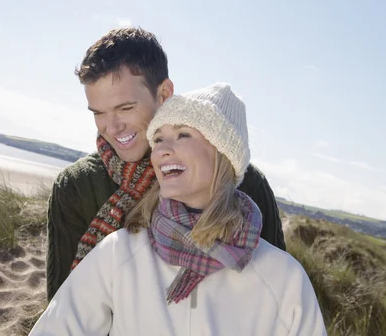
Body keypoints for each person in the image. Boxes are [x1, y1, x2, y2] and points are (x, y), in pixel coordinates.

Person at [31, 83, 326, 336]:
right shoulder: (120, 254)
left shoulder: (282, 277)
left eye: (183, 135)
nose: (161, 150)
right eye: (158, 139)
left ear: (223, 154)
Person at [46, 27, 285, 301]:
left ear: (164, 94)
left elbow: (274, 294)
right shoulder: (76, 187)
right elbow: (62, 304)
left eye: (126, 108)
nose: (112, 127)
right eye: (99, 113)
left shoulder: (242, 182)